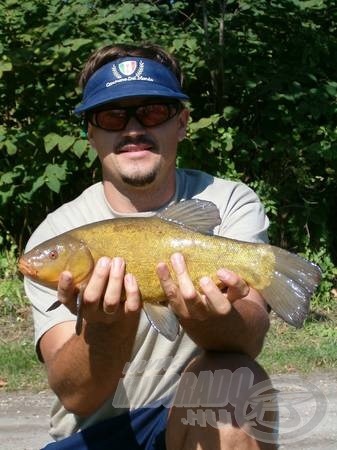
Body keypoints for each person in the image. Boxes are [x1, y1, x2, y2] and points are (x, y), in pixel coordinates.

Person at [24, 43, 278, 449]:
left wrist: (206, 316)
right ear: (91, 132)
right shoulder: (61, 231)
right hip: (93, 435)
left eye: (153, 111)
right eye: (112, 116)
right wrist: (104, 328)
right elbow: (76, 396)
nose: (133, 129)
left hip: (191, 421)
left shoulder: (227, 202)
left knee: (236, 381)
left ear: (181, 122)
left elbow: (248, 341)